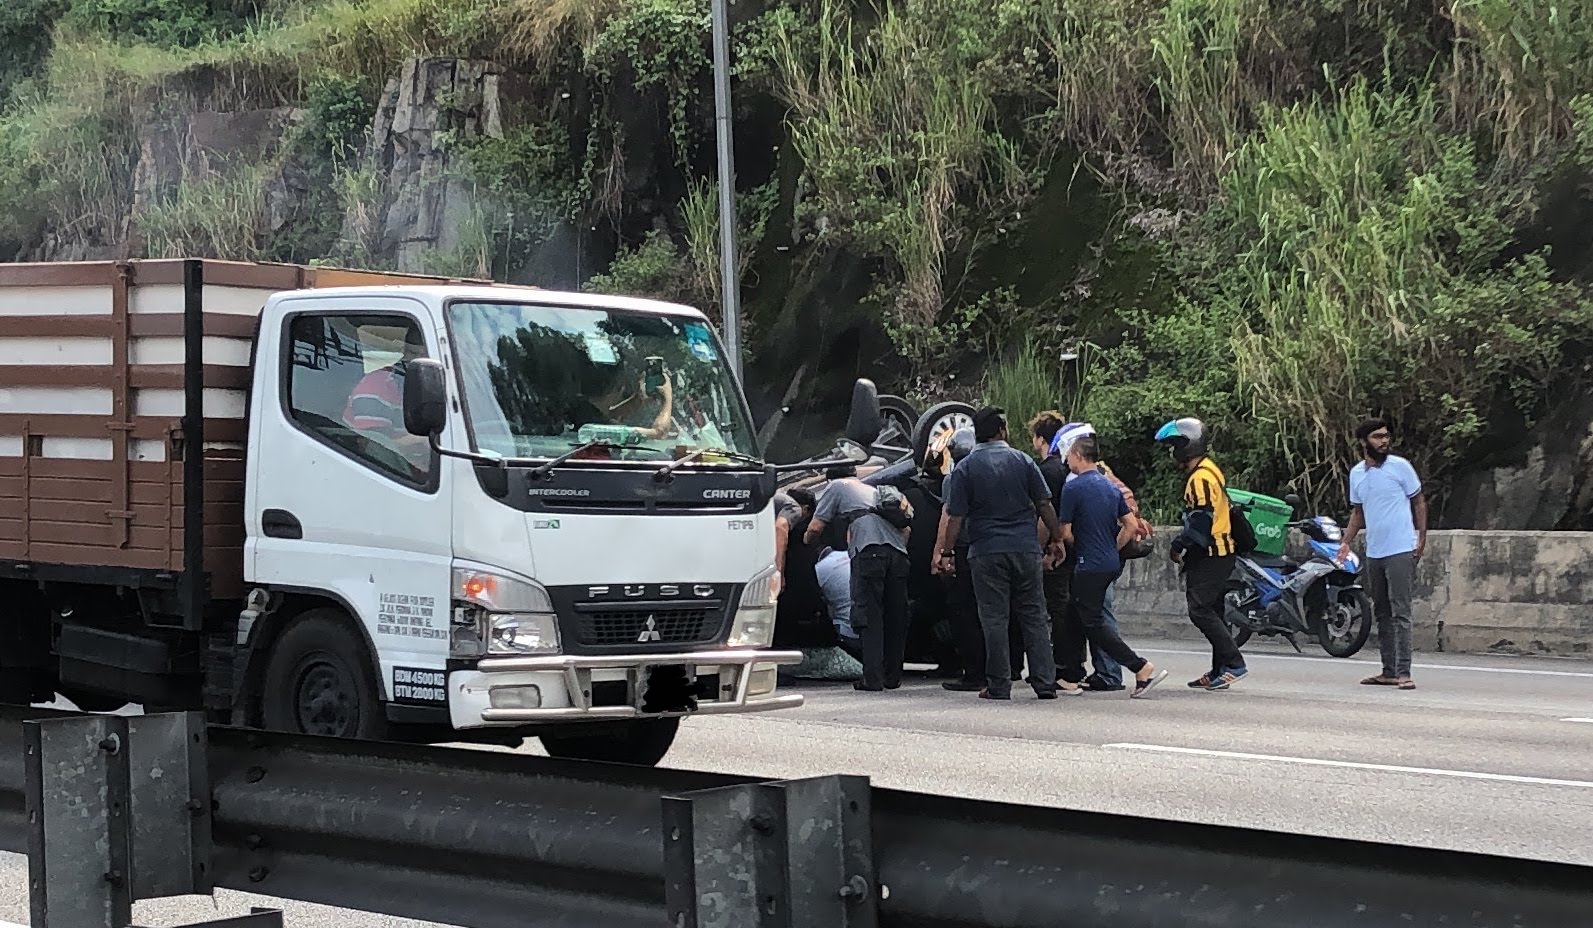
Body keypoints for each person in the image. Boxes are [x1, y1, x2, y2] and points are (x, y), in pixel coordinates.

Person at [932, 407, 1064, 700]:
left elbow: (955, 517)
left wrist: (947, 552)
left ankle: (998, 684)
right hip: (1025, 548)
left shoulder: (966, 468)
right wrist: (1056, 538)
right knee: (1034, 616)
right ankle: (1044, 682)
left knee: (994, 618)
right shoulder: (1023, 460)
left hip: (986, 551)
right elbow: (1044, 504)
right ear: (1002, 430)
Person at [1056, 435, 1167, 697]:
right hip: (1108, 562)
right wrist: (1113, 547)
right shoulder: (1110, 487)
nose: (1067, 460)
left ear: (1079, 456)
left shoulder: (1073, 488)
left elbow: (1065, 532)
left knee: (1092, 622)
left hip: (1088, 563)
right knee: (1074, 614)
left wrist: (1080, 546)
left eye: (1069, 455)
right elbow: (1130, 525)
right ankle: (1069, 676)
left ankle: (1139, 666)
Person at [1155, 417, 1249, 691]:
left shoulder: (1200, 478)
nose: (1173, 453)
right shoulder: (1210, 470)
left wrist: (1178, 546)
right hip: (1222, 550)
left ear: (1187, 446)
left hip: (1212, 552)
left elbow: (1200, 521)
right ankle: (1221, 668)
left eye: (1175, 445)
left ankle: (1234, 663)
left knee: (1199, 609)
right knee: (1215, 610)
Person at [805, 467, 913, 691]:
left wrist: (807, 540)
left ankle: (872, 679)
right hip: (898, 555)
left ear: (829, 478)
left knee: (869, 615)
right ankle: (892, 677)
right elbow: (907, 530)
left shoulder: (837, 487)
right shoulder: (874, 491)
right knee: (895, 616)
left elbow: (815, 527)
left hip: (869, 553)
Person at [1338, 418, 1426, 691]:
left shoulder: (1400, 467)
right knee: (1382, 612)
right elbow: (1358, 512)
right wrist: (1346, 542)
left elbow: (1418, 500)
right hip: (1375, 551)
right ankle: (1388, 670)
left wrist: (1421, 536)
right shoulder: (1357, 474)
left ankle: (1404, 671)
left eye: (1386, 436)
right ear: (1364, 442)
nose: (1383, 441)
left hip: (1401, 547)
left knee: (1401, 611)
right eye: (1377, 437)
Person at [940, 427, 1023, 692]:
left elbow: (951, 518)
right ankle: (1012, 667)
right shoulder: (1008, 469)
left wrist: (944, 552)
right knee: (1008, 610)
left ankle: (975, 671)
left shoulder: (956, 477)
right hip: (1009, 546)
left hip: (970, 550)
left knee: (967, 612)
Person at [344, 327, 432, 472]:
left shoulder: (446, 385)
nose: (415, 360)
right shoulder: (374, 387)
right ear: (405, 352)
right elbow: (370, 444)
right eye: (415, 354)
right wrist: (425, 439)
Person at [773, 487, 816, 579]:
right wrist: (779, 572)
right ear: (806, 509)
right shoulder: (795, 508)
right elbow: (780, 527)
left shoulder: (778, 501)